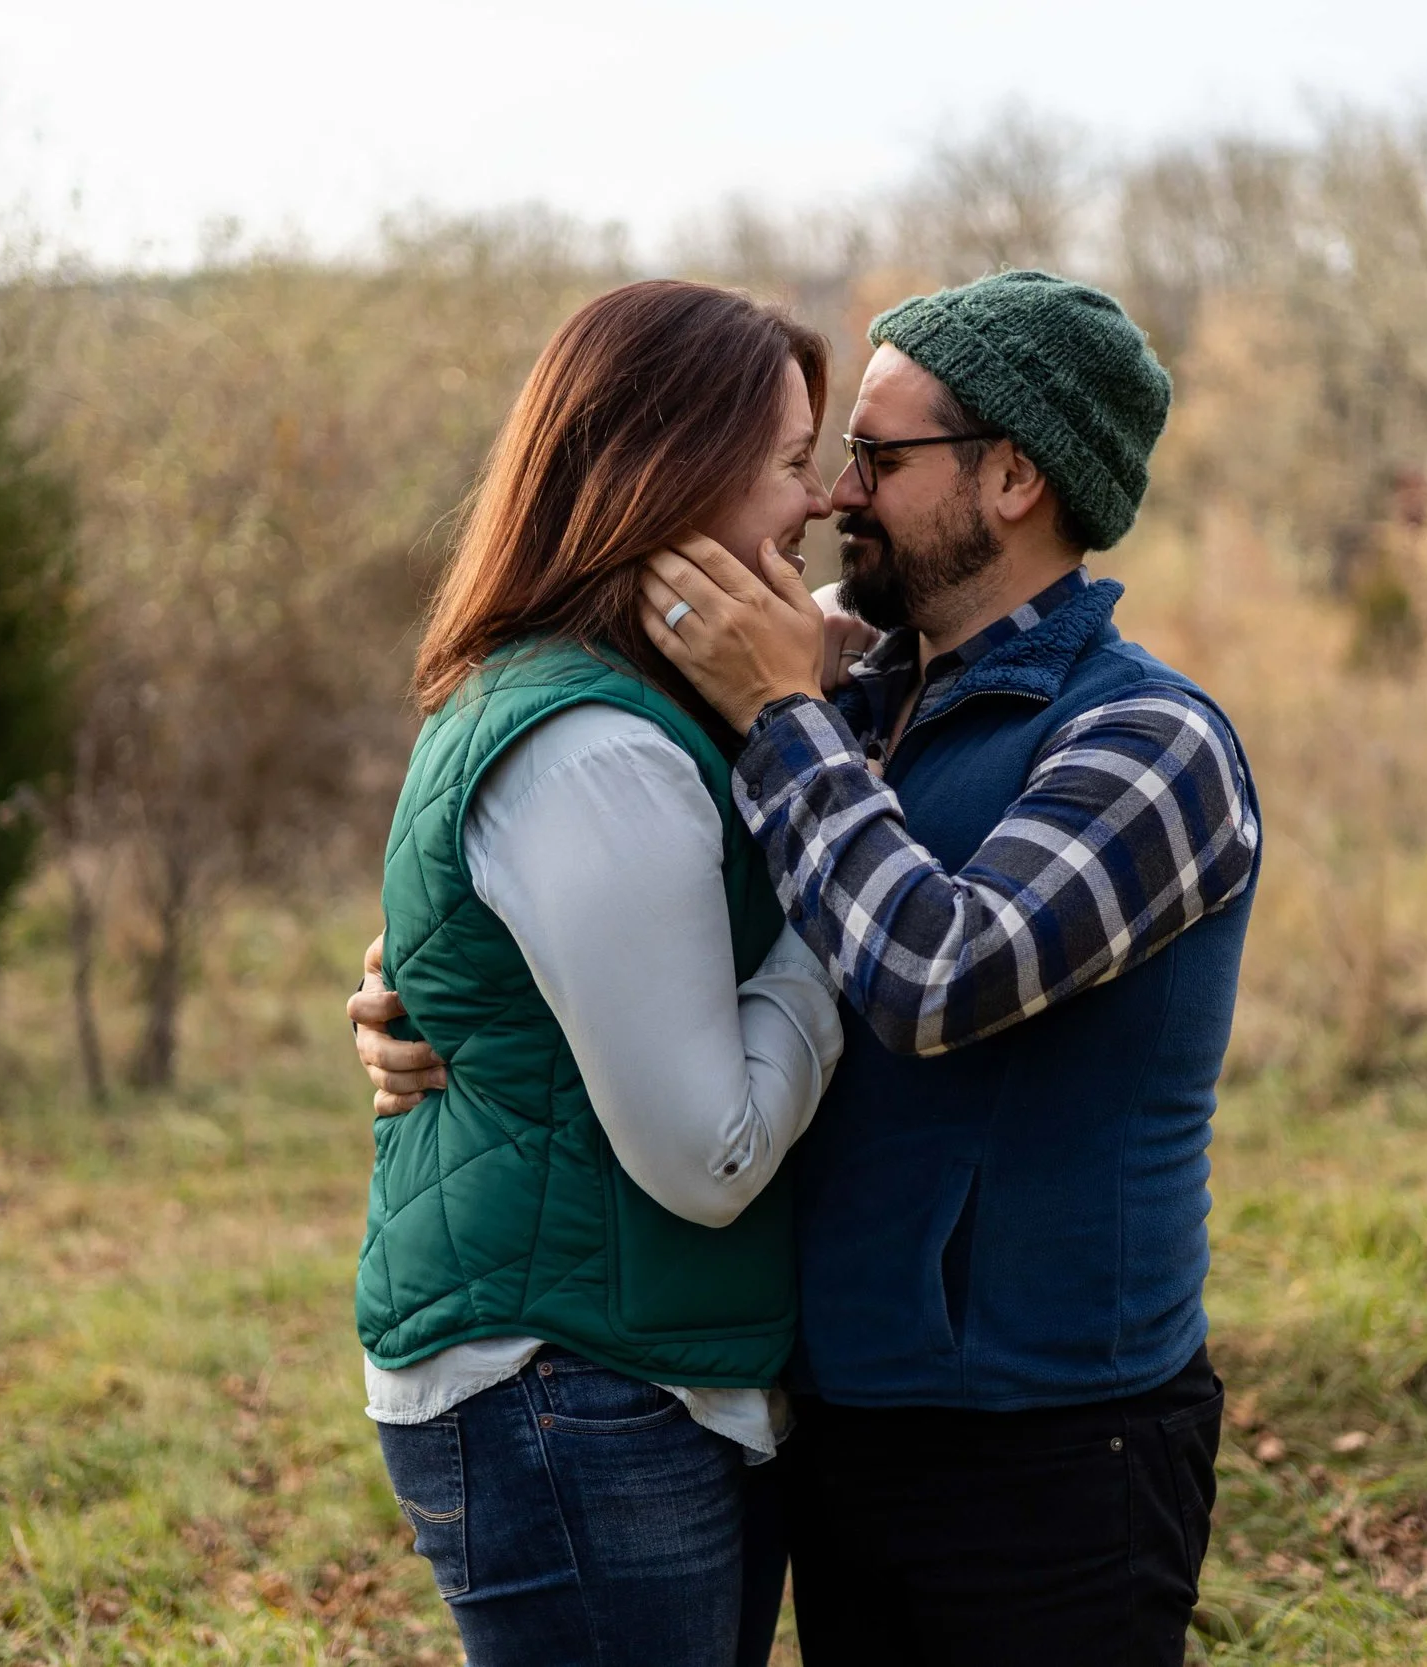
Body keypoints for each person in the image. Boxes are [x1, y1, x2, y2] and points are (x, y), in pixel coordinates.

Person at [362, 269, 1261, 1667]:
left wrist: (785, 709)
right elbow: (611, 877)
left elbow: (935, 974)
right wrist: (434, 991)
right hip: (840, 1419)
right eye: (826, 456)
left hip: (1053, 1447)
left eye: (877, 456)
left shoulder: (1148, 745)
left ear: (1013, 475)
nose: (839, 494)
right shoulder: (853, 696)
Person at [346, 278, 851, 1667]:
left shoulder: (616, 699)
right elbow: (713, 1152)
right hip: (575, 1387)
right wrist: (837, 906)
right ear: (670, 478)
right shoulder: (601, 753)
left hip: (626, 1369)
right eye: (795, 464)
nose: (818, 503)